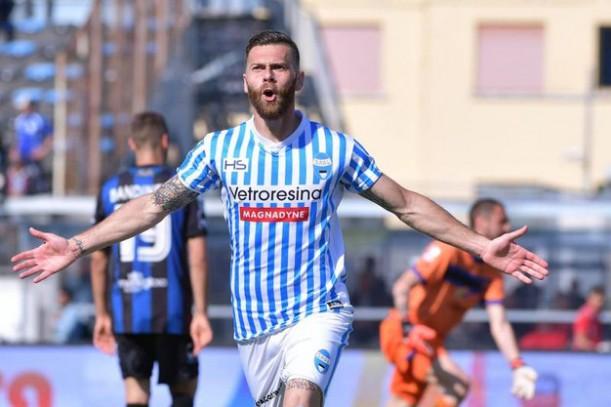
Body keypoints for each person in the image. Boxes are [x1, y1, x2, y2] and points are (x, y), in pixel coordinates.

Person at [11, 31, 548, 407]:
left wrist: (480, 246)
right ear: (246, 80)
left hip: (319, 311)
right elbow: (154, 204)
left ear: (298, 78)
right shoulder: (220, 150)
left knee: (301, 395)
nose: (269, 76)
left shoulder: (333, 149)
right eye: (259, 68)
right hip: (254, 327)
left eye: (279, 67)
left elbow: (405, 203)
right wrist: (78, 245)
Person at [90, 112, 213, 406]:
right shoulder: (183, 187)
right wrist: (201, 312)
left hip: (128, 314)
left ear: (132, 144)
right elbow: (197, 256)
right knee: (183, 394)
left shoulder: (110, 189)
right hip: (175, 314)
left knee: (136, 396)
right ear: (165, 141)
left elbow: (98, 260)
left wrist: (102, 313)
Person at [380, 199, 538, 407]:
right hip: (406, 332)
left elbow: (499, 323)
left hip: (432, 342)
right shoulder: (448, 250)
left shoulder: (493, 272)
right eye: (502, 221)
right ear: (481, 222)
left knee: (404, 401)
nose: (507, 227)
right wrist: (408, 329)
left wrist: (517, 365)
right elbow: (402, 286)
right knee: (457, 386)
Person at [12, 97, 53, 194]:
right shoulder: (19, 120)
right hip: (22, 154)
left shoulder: (39, 119)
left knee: (36, 175)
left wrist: (43, 150)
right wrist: (15, 150)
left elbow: (50, 136)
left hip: (35, 154)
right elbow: (16, 137)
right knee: (20, 175)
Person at [572, 285, 605, 351]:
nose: (601, 304)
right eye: (599, 300)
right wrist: (599, 347)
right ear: (590, 299)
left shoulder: (594, 317)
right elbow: (580, 342)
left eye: (602, 301)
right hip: (584, 355)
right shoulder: (585, 316)